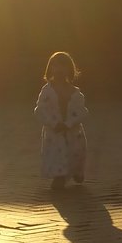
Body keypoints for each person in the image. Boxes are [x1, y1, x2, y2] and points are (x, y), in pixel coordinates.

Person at [35, 51, 88, 191]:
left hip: (72, 130)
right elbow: (40, 110)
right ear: (50, 68)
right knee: (57, 154)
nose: (59, 69)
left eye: (63, 66)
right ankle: (59, 177)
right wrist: (53, 123)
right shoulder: (47, 91)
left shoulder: (76, 93)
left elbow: (82, 112)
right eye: (56, 65)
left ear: (69, 69)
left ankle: (77, 171)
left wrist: (69, 123)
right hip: (54, 131)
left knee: (75, 152)